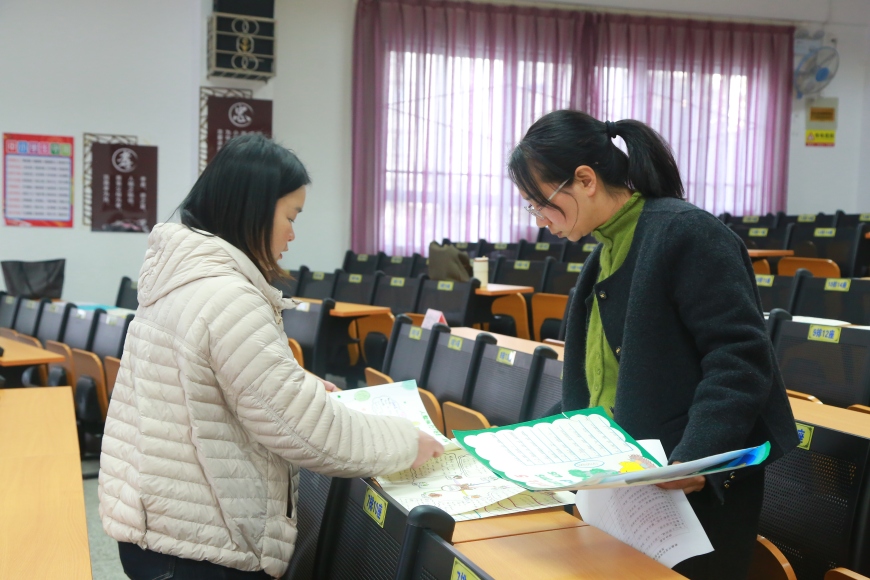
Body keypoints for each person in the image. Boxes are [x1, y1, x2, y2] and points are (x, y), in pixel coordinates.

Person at [98, 134, 444, 579]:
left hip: (163, 523)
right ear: (254, 210)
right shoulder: (227, 296)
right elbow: (305, 429)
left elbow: (206, 382)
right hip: (197, 546)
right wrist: (407, 442)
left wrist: (289, 383)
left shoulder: (182, 278)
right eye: (290, 216)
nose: (293, 233)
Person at [507, 110, 798, 580]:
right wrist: (525, 445)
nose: (540, 220)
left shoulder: (686, 232)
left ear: (585, 180)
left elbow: (739, 358)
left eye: (540, 203)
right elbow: (600, 382)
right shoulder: (605, 252)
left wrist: (697, 453)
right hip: (626, 486)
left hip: (688, 488)